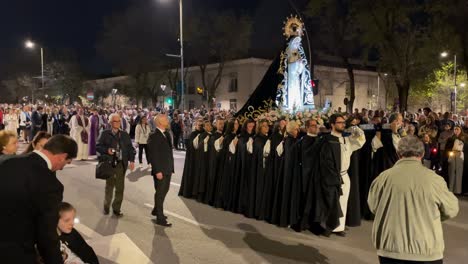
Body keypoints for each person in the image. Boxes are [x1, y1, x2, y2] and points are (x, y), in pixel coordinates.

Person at [368, 136, 459, 264]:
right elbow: (451, 209)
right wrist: (435, 216)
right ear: (422, 154)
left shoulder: (383, 178)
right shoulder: (434, 180)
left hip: (390, 248)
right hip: (426, 250)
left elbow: (373, 206)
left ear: (398, 153)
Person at [0, 134, 77, 263]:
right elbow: (46, 235)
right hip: (15, 252)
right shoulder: (51, 186)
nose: (63, 167)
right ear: (62, 156)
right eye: (66, 162)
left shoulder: (6, 161)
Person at [317, 114, 365, 236]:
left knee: (342, 202)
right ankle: (328, 226)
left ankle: (339, 227)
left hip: (344, 176)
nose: (343, 124)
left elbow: (360, 141)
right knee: (331, 202)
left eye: (344, 122)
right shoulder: (327, 140)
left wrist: (355, 128)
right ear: (332, 124)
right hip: (331, 177)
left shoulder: (346, 140)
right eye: (339, 122)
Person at [96, 113, 135, 217]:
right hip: (109, 164)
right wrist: (107, 150)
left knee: (120, 188)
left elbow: (130, 149)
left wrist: (132, 160)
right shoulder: (105, 133)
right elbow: (98, 146)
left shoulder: (124, 134)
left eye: (118, 121)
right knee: (109, 186)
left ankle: (116, 208)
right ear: (110, 122)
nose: (117, 123)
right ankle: (106, 206)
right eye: (115, 121)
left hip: (121, 164)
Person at [147, 114, 174, 227]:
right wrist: (157, 170)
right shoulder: (154, 136)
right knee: (160, 193)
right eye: (165, 119)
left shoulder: (166, 134)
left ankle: (156, 210)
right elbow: (153, 155)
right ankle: (160, 217)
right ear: (159, 122)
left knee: (164, 190)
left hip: (167, 168)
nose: (168, 121)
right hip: (160, 170)